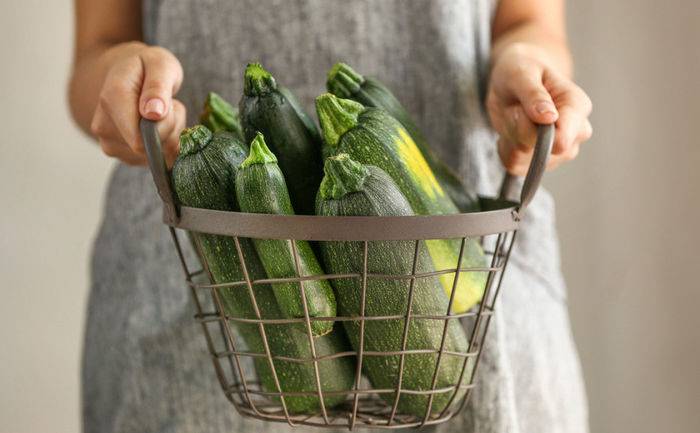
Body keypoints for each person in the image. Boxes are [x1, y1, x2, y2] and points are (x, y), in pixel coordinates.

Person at [69, 0, 592, 432]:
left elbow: (528, 21)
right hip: (203, 270)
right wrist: (124, 84)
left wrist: (526, 71)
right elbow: (98, 49)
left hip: (464, 283)